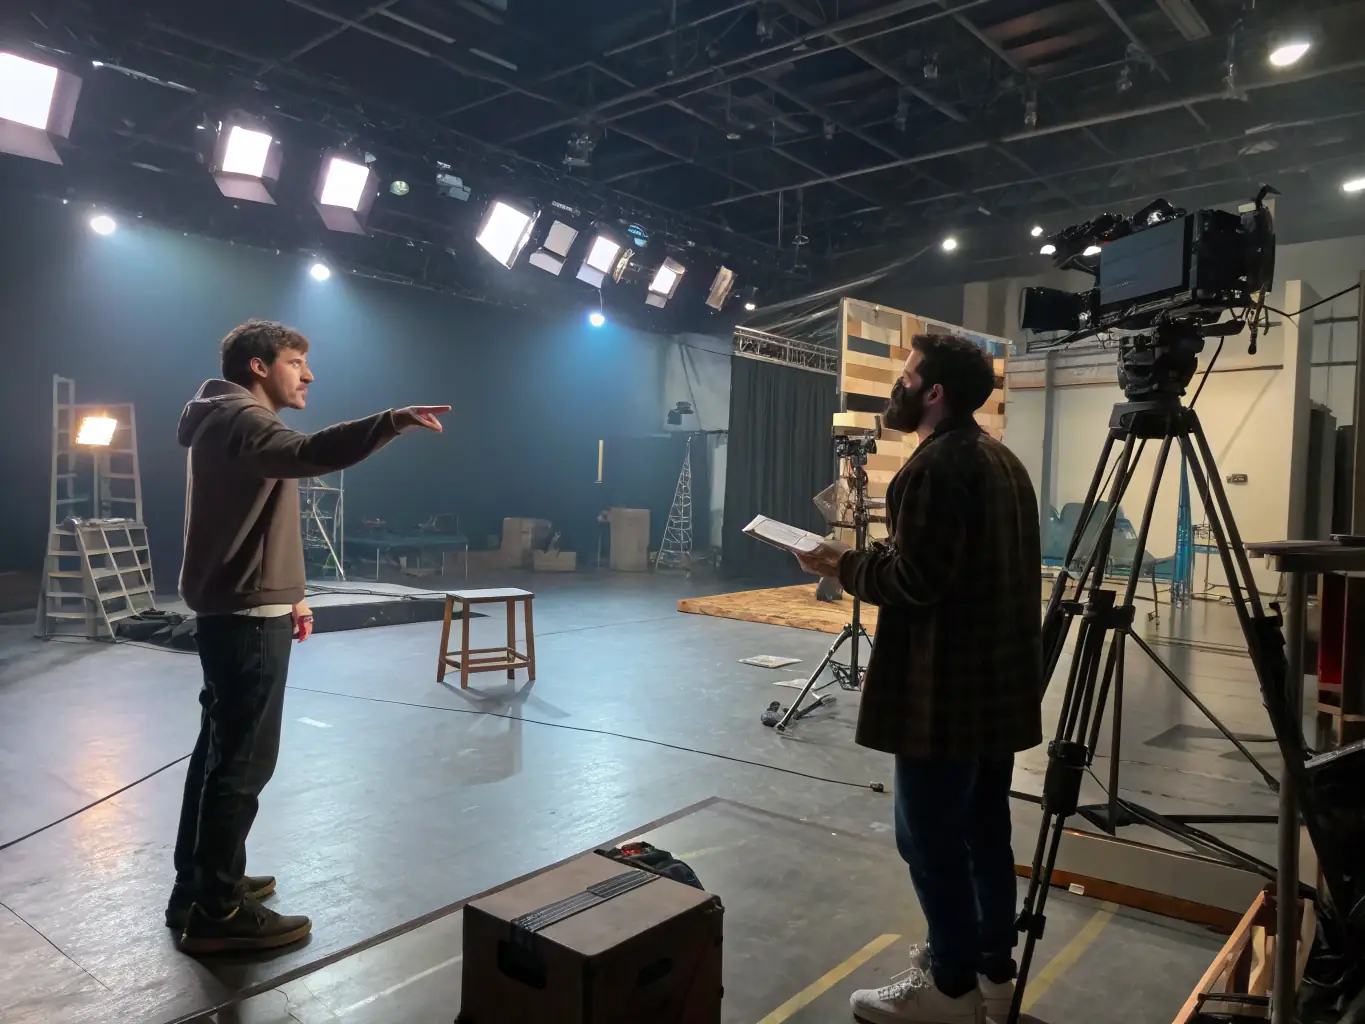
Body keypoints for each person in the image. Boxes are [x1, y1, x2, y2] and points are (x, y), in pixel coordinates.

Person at [167, 319, 450, 954]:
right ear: (259, 366)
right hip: (245, 617)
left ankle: (200, 883)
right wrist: (391, 421)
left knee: (218, 754)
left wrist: (290, 590)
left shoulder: (224, 419)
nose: (310, 374)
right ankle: (216, 911)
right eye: (297, 361)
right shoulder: (244, 419)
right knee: (242, 762)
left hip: (240, 605)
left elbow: (253, 514)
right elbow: (309, 452)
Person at [794, 333, 1043, 1024]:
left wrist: (840, 565)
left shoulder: (935, 468)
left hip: (944, 692)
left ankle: (950, 986)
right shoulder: (1002, 460)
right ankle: (993, 973)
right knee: (984, 832)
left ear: (933, 392)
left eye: (904, 378)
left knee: (928, 840)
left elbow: (917, 578)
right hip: (997, 686)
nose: (893, 389)